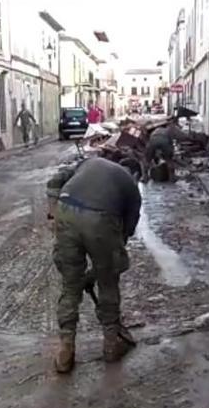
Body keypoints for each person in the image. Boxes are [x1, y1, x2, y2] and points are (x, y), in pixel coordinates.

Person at [46, 157, 142, 373]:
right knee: (109, 282)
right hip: (100, 218)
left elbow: (53, 182)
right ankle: (111, 344)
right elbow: (125, 235)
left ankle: (65, 350)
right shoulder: (131, 187)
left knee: (70, 285)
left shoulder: (90, 162)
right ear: (136, 175)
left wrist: (53, 215)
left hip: (66, 210)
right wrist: (101, 271)